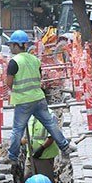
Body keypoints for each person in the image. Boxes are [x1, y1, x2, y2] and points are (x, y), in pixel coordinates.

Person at [5, 30, 75, 171]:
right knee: (50, 124)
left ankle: (12, 156)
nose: (11, 47)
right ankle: (65, 147)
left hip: (24, 100)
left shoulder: (14, 62)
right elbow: (39, 77)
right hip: (39, 97)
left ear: (17, 45)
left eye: (12, 45)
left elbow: (9, 83)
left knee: (17, 129)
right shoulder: (35, 60)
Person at [26, 114, 58, 183]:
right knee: (28, 178)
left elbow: (52, 136)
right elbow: (29, 135)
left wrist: (41, 149)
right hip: (30, 155)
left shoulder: (50, 115)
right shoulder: (30, 116)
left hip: (44, 157)